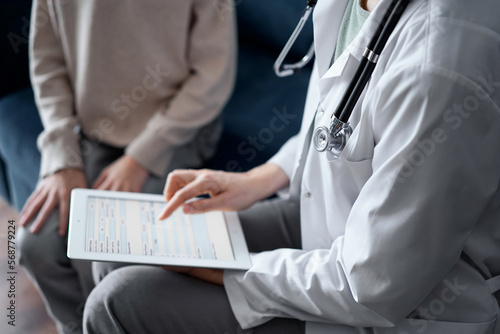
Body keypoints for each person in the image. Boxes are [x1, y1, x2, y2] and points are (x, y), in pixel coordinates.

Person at [84, 0, 500, 333]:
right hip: (324, 220)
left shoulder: (437, 69)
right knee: (118, 254)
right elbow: (340, 117)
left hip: (393, 307)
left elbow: (371, 287)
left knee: (119, 301)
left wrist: (228, 271)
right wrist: (255, 179)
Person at [17, 0, 236, 333]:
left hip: (178, 129)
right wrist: (63, 158)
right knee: (35, 246)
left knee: (106, 256)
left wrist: (141, 157)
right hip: (93, 132)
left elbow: (212, 76)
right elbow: (48, 63)